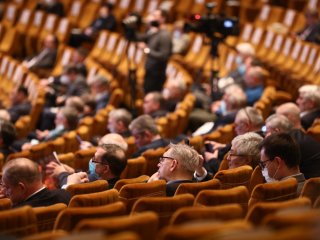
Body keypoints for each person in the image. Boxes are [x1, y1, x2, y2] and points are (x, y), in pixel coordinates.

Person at [203, 107, 264, 175]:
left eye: (236, 125)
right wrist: (224, 146)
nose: (235, 129)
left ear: (246, 126)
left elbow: (230, 172)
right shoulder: (261, 138)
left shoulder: (251, 143)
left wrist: (212, 160)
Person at [47, 143, 127, 189]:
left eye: (94, 159)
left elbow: (69, 188)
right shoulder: (119, 185)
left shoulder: (93, 189)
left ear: (105, 169)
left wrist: (62, 173)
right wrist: (73, 172)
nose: (91, 161)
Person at [265, 114, 320, 179]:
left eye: (267, 132)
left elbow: (281, 171)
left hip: (310, 183)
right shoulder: (298, 134)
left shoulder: (287, 144)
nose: (266, 136)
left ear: (276, 131)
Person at [0, 158, 71, 208]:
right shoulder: (65, 195)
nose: (3, 190)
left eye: (6, 187)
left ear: (21, 187)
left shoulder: (16, 214)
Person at [136, 9, 172, 94]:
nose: (152, 18)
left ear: (163, 19)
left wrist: (146, 50)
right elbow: (140, 37)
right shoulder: (154, 32)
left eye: (155, 16)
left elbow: (164, 56)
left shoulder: (165, 35)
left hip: (156, 74)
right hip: (150, 70)